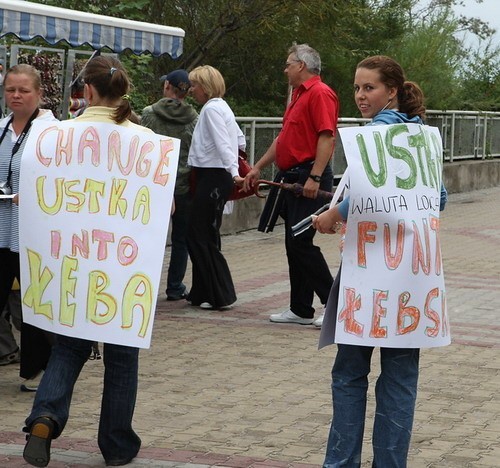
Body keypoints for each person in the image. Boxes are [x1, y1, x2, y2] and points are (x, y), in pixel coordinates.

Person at [313, 55, 448, 468]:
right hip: (412, 277)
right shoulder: (423, 136)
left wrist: (334, 215)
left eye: (369, 87)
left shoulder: (373, 135)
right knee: (401, 379)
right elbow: (439, 199)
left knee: (350, 373)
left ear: (392, 91)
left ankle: (341, 464)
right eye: (356, 87)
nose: (360, 95)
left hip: (367, 274)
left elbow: (368, 195)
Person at [23, 56, 152, 467]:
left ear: (88, 91)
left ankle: (45, 415)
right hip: (125, 267)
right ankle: (116, 445)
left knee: (68, 348)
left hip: (73, 262)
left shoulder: (55, 136)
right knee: (121, 358)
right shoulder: (146, 141)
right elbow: (158, 210)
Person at [243, 43, 339, 326]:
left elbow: (327, 137)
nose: (285, 69)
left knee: (301, 242)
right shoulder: (297, 95)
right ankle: (300, 308)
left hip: (308, 175)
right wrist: (258, 167)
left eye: (288, 64)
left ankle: (335, 307)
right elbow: (283, 138)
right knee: (294, 242)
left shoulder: (320, 93)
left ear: (302, 65)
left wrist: (315, 176)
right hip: (294, 175)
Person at [0, 64, 56, 377]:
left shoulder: (52, 133)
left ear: (39, 93)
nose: (16, 96)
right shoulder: (1, 129)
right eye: (11, 90)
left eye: (24, 90)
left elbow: (66, 182)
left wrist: (37, 193)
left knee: (34, 307)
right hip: (0, 232)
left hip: (32, 235)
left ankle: (36, 371)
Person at [186, 65, 243, 310]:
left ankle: (219, 293)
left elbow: (223, 143)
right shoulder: (222, 107)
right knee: (205, 232)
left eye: (195, 85)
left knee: (200, 234)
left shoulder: (210, 109)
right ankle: (202, 291)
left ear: (205, 87)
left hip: (213, 176)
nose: (192, 90)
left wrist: (234, 171)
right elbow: (239, 139)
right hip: (217, 176)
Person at [141, 69, 198, 301]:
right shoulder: (195, 118)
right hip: (183, 185)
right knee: (180, 239)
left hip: (155, 184)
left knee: (149, 236)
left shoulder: (148, 114)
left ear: (167, 87)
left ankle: (145, 284)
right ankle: (175, 286)